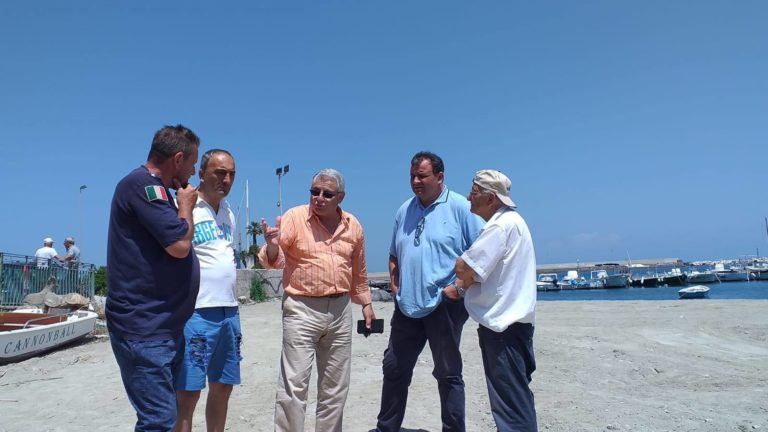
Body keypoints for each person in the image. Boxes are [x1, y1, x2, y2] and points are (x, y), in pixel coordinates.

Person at [259, 168, 375, 432]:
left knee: (335, 388)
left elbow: (359, 270)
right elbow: (273, 260)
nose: (319, 197)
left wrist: (366, 303)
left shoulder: (353, 225)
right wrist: (273, 244)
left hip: (340, 310)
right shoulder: (295, 217)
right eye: (315, 191)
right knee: (294, 385)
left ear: (340, 197)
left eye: (327, 193)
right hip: (301, 309)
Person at [376, 151, 483, 432]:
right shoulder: (404, 210)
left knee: (448, 374)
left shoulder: (461, 207)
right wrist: (395, 282)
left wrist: (458, 288)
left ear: (440, 177)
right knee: (395, 369)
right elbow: (393, 254)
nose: (415, 181)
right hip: (406, 306)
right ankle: (387, 428)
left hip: (444, 306)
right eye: (412, 176)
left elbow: (484, 254)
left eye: (422, 176)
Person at [106, 124, 201, 431]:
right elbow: (179, 245)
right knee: (158, 421)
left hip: (163, 326)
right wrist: (186, 207)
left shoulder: (157, 191)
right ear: (177, 159)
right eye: (192, 163)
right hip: (144, 328)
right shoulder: (143, 186)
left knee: (165, 416)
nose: (194, 171)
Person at [453, 170, 538, 431]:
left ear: (490, 198)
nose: (469, 196)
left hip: (503, 329)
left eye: (475, 192)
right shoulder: (514, 222)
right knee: (517, 399)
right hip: (517, 327)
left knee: (510, 406)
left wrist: (458, 287)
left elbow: (464, 269)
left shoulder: (499, 226)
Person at [174, 149, 240, 432]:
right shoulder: (187, 205)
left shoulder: (228, 212)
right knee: (188, 392)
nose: (226, 180)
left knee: (223, 386)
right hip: (196, 311)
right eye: (219, 173)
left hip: (230, 311)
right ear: (201, 174)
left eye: (231, 175)